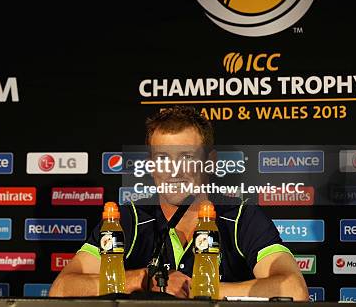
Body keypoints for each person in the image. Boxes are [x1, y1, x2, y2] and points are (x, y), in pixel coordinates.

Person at [49, 106, 308, 300]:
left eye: (186, 157)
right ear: (151, 166)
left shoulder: (241, 218)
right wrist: (144, 280)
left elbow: (294, 290)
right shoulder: (128, 220)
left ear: (210, 162)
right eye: (163, 158)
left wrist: (199, 289)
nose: (174, 171)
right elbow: (60, 290)